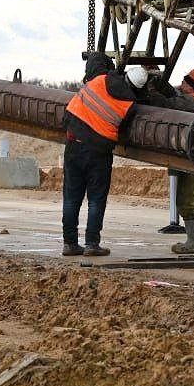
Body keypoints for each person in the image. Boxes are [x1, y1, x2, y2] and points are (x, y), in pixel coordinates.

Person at [61, 57, 148, 257]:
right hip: (99, 153)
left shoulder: (98, 80)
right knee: (96, 200)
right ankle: (92, 244)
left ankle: (69, 243)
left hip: (74, 145)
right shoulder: (129, 105)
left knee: (71, 198)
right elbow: (123, 130)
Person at [146, 68, 194, 254]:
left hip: (191, 158)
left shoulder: (191, 101)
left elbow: (167, 103)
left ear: (191, 85)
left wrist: (150, 89)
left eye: (185, 81)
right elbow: (174, 95)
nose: (181, 83)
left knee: (186, 199)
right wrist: (160, 80)